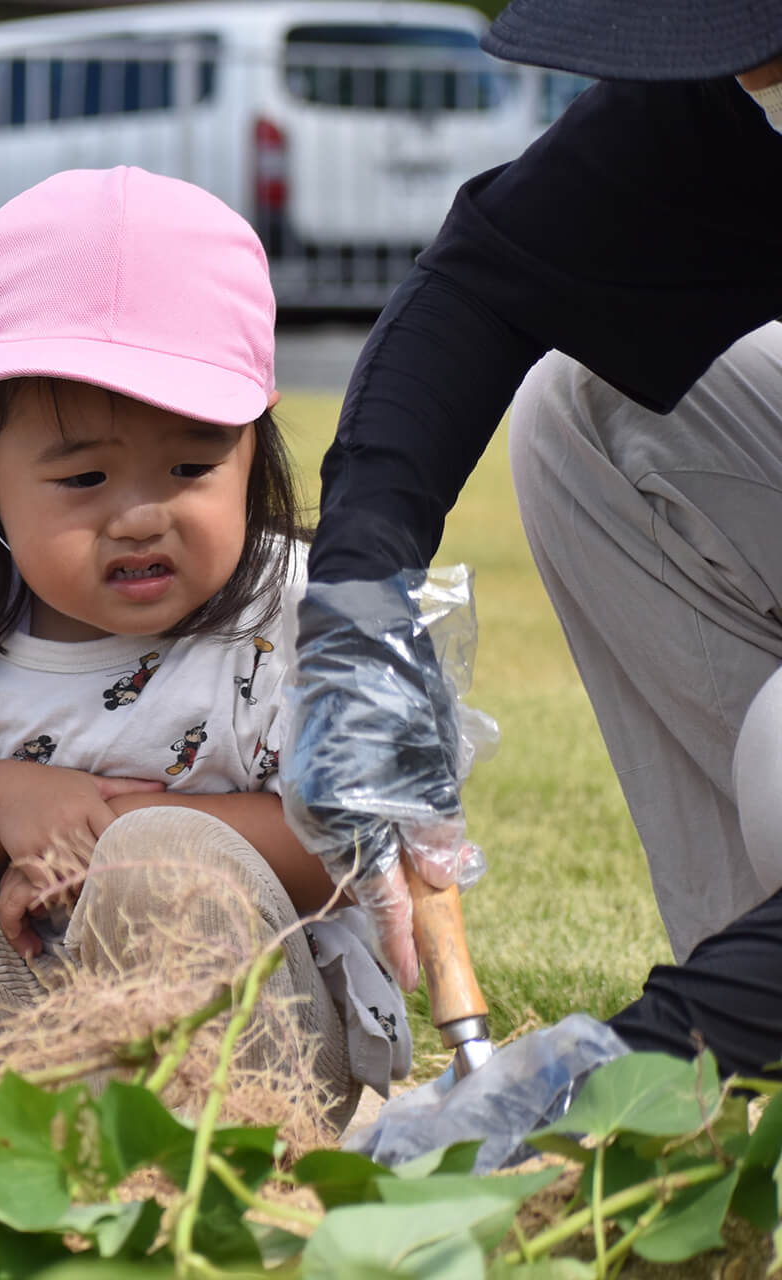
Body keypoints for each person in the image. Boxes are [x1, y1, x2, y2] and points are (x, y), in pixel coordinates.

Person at [0, 167, 407, 1128]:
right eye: (85, 478)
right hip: (10, 1034)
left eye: (193, 466)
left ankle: (192, 1192)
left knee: (161, 860)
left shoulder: (293, 613)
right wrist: (7, 807)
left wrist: (109, 836)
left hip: (250, 1048)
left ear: (255, 444)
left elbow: (351, 845)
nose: (142, 514)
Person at [282, 0, 782, 1080]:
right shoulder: (734, 93)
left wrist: (602, 1071)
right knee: (584, 403)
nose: (746, 77)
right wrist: (359, 619)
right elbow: (480, 284)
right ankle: (738, 1027)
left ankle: (727, 1025)